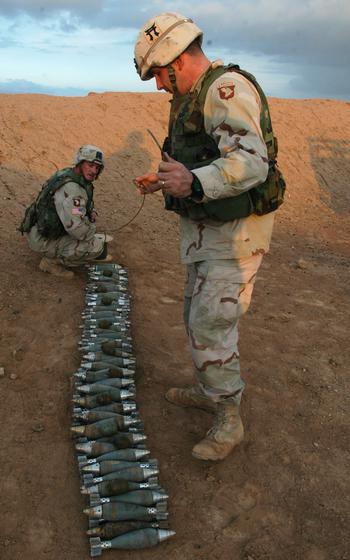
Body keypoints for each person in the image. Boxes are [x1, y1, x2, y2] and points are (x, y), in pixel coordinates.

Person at [133, 13, 286, 461]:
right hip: (207, 232)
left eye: (158, 76)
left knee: (210, 323)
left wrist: (195, 183)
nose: (159, 86)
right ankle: (211, 390)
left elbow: (251, 162)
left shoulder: (226, 90)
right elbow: (202, 163)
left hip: (236, 237)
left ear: (177, 61)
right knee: (195, 317)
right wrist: (167, 179)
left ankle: (228, 416)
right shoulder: (194, 99)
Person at [19, 145, 113, 279]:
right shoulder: (73, 190)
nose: (94, 171)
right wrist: (92, 230)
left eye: (97, 168)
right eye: (90, 165)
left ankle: (55, 250)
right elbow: (77, 230)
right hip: (42, 239)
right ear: (81, 163)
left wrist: (91, 211)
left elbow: (82, 204)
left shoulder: (67, 174)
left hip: (39, 229)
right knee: (96, 247)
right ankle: (50, 263)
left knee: (89, 235)